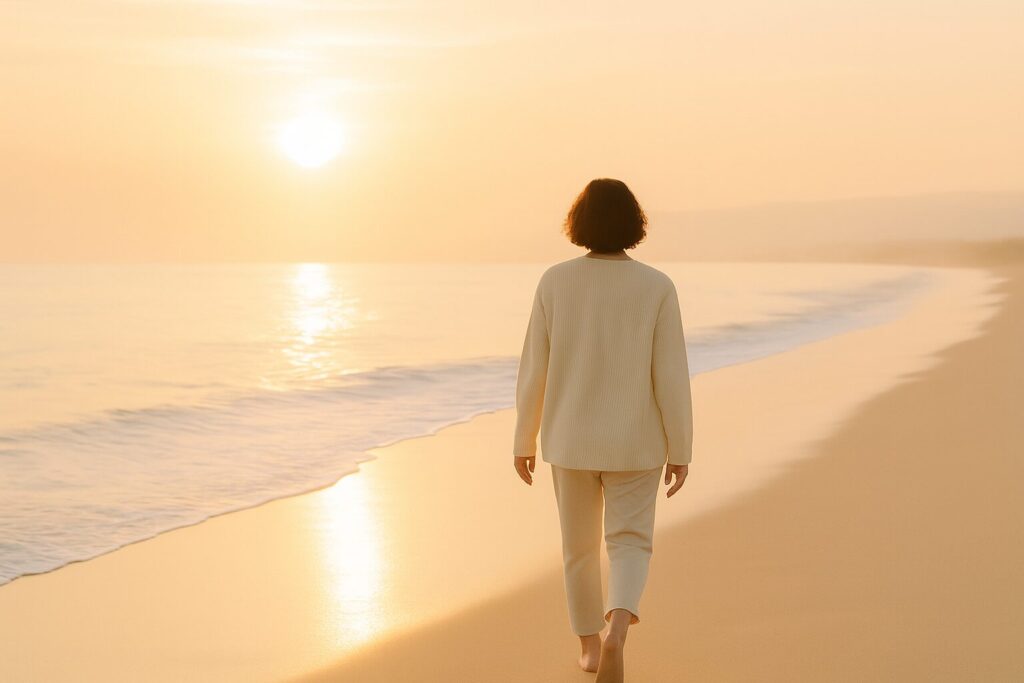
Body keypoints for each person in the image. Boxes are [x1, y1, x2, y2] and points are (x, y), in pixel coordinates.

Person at [512, 178, 694, 682]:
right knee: (630, 540)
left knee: (579, 547)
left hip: (569, 439)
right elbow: (671, 375)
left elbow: (535, 370)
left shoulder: (554, 282)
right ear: (634, 223)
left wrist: (522, 439)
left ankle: (590, 648)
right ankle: (618, 627)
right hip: (637, 441)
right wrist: (681, 447)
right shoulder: (657, 286)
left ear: (579, 223)